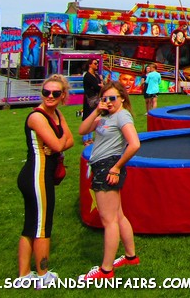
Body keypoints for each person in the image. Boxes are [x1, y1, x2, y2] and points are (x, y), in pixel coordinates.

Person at [78, 81, 141, 281]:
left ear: (122, 98)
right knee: (118, 216)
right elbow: (82, 130)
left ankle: (106, 270)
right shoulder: (106, 115)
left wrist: (116, 167)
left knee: (109, 220)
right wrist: (97, 110)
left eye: (112, 98)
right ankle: (131, 256)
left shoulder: (122, 116)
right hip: (102, 165)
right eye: (105, 98)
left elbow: (134, 144)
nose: (109, 102)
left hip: (108, 166)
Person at [17, 75, 75, 288]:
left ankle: (24, 275)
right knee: (41, 226)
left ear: (63, 96)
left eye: (56, 93)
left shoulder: (57, 114)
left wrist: (57, 143)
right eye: (46, 92)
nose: (50, 96)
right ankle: (42, 275)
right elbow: (61, 145)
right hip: (36, 175)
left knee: (32, 224)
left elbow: (70, 140)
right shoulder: (37, 117)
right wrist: (58, 144)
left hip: (43, 175)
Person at [82, 58, 102, 145]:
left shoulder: (96, 75)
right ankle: (85, 138)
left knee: (94, 117)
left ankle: (90, 137)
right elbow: (96, 86)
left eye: (97, 64)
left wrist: (99, 85)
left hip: (96, 98)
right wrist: (99, 86)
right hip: (89, 99)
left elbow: (99, 85)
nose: (96, 65)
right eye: (95, 63)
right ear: (90, 64)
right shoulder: (87, 76)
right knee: (87, 117)